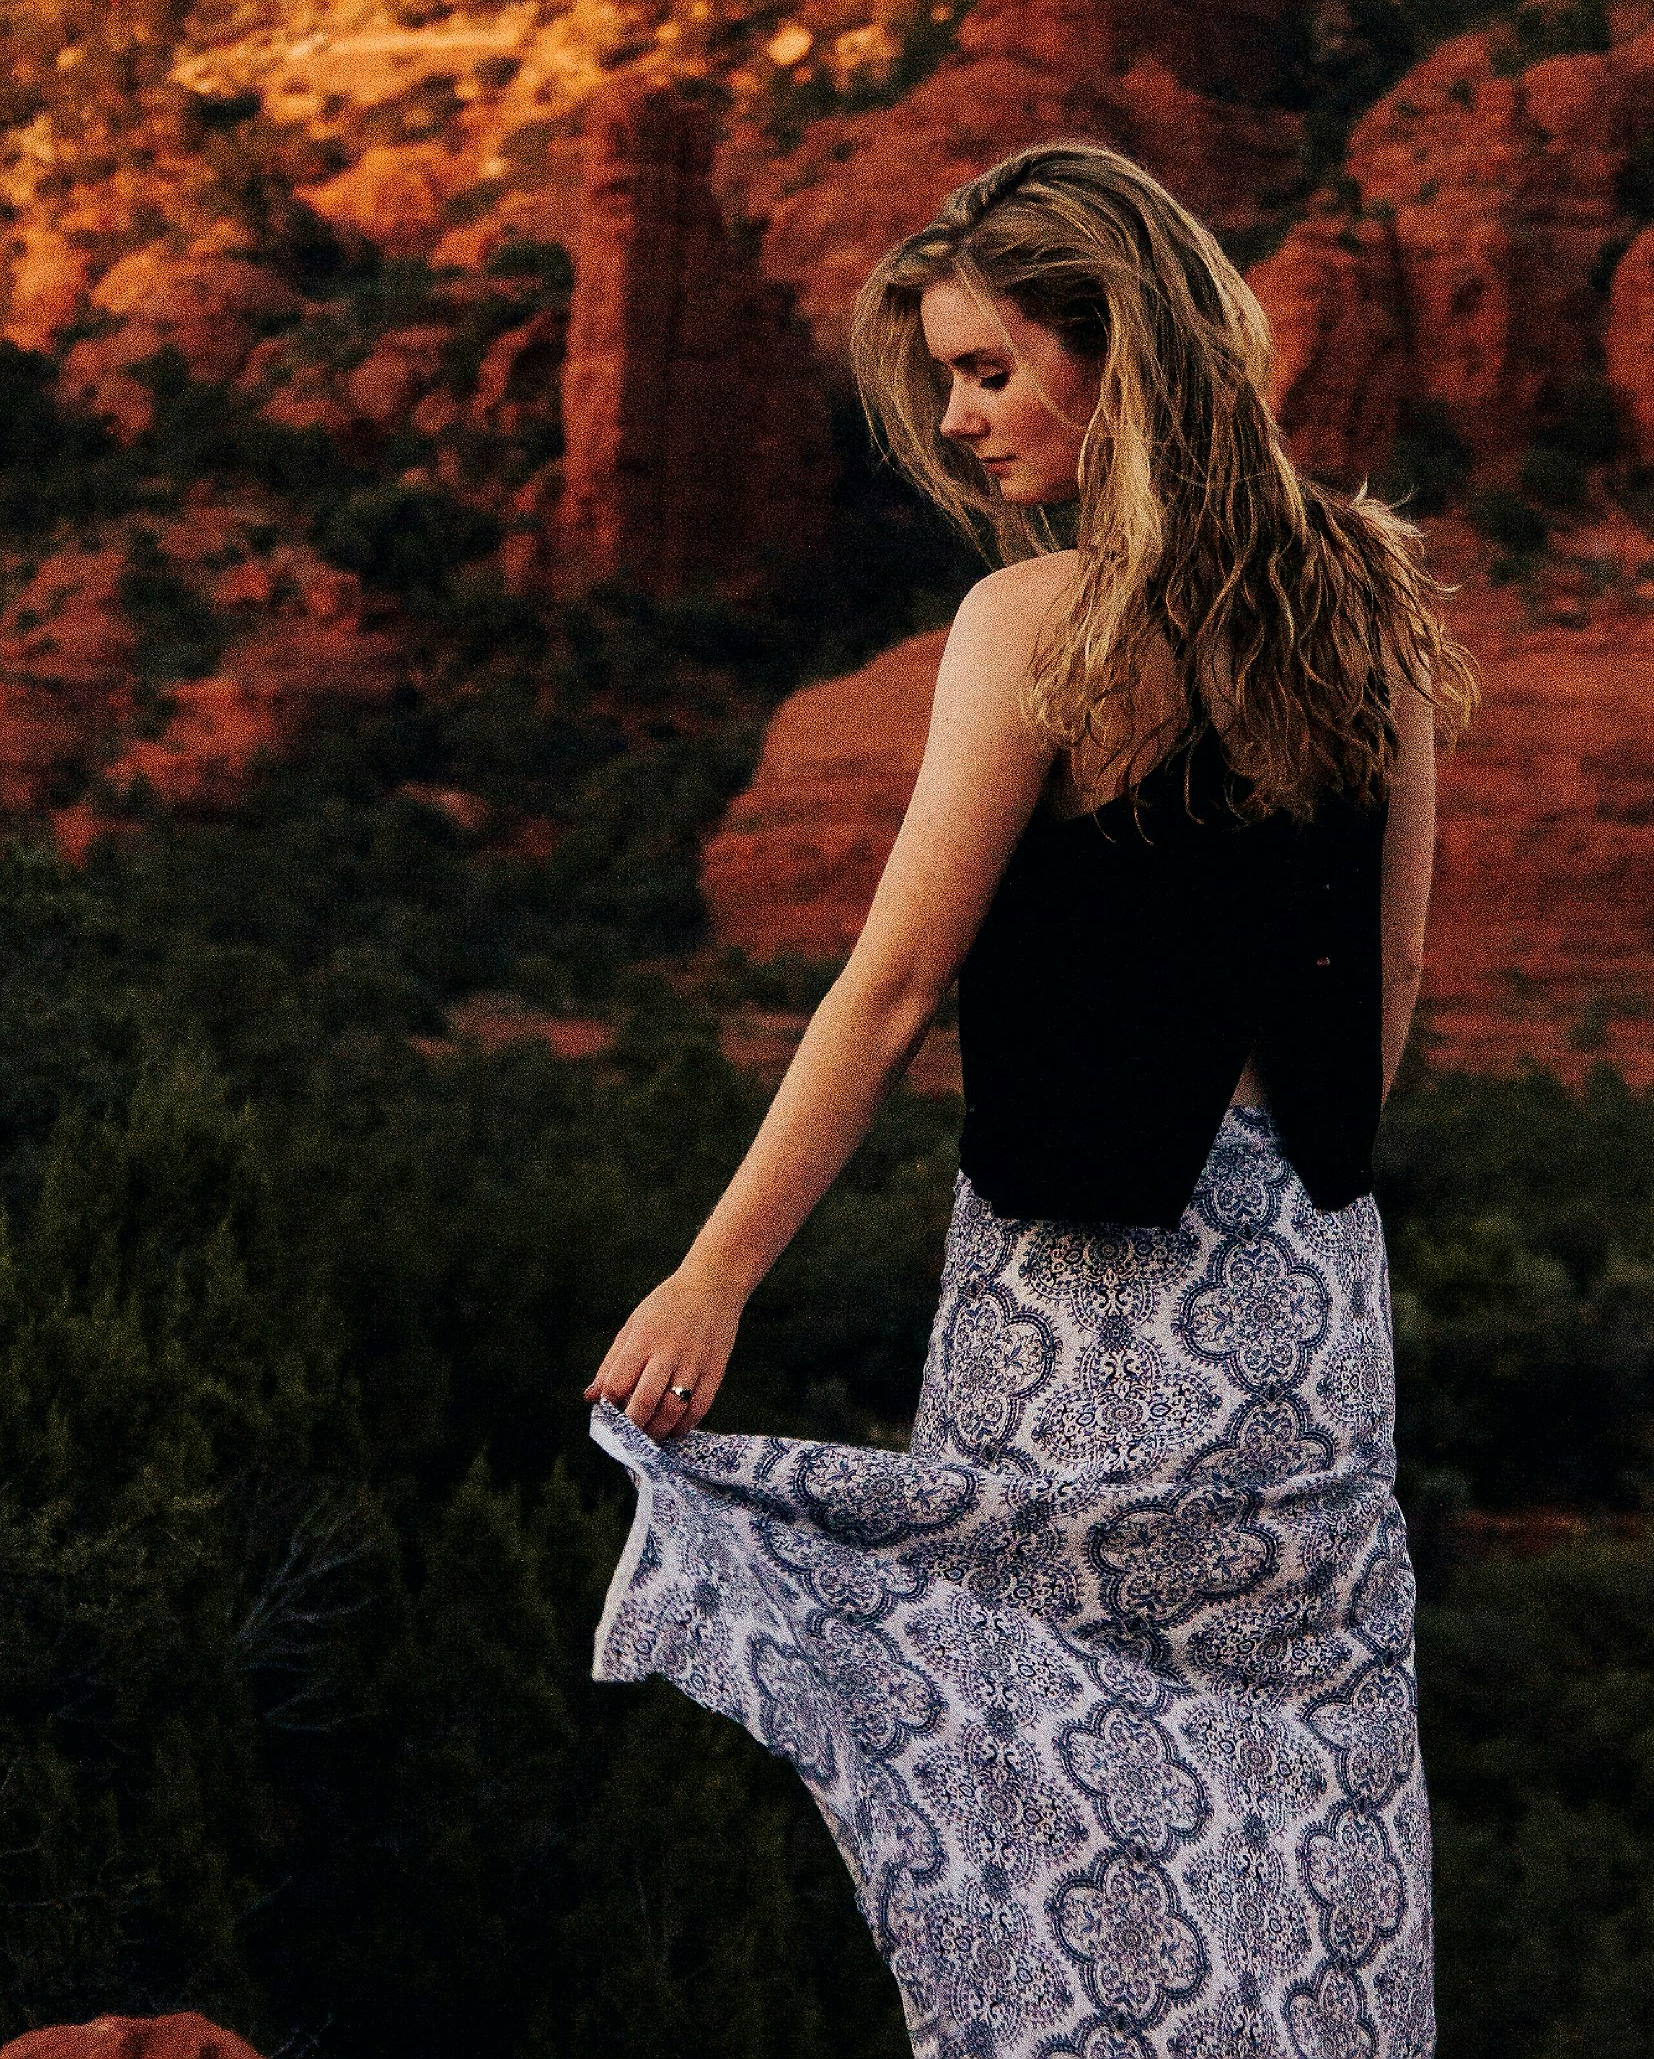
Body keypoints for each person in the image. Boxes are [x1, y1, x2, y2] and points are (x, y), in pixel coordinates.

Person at [586, 140, 1472, 2057]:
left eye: (991, 368)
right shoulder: (1372, 606)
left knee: (1043, 1759)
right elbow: (1385, 988)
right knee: (1294, 1774)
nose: (960, 417)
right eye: (946, 376)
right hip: (1303, 1297)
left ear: (1123, 350)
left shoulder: (1035, 625)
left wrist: (714, 1276)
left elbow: (896, 983)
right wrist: (1263, 1174)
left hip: (1078, 1286)